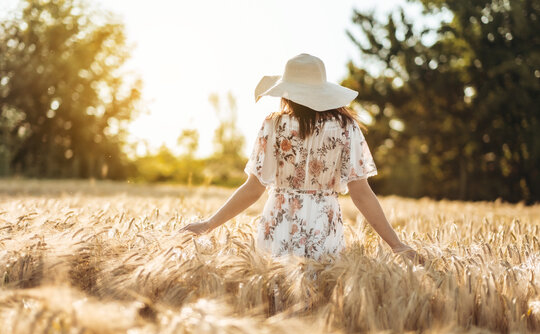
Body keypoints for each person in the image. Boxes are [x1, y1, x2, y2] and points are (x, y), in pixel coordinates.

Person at [180, 53, 422, 264]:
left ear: (287, 92)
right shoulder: (346, 127)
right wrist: (396, 244)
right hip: (324, 229)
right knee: (321, 300)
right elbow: (361, 192)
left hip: (278, 224)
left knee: (274, 303)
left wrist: (208, 224)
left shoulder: (273, 125)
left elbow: (253, 188)